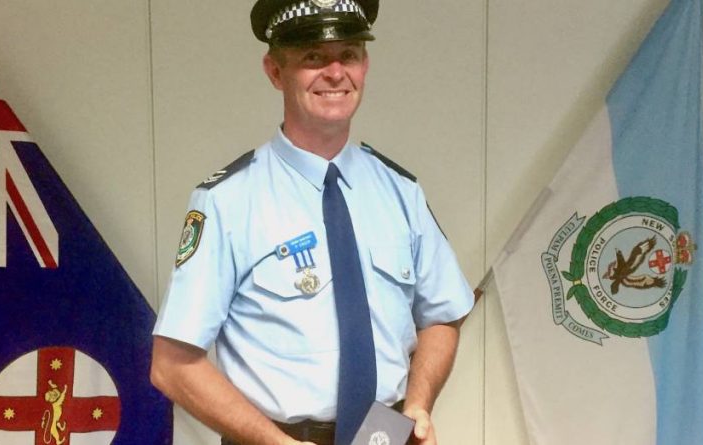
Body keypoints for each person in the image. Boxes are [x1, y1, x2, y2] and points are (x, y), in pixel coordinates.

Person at [150, 1, 475, 444]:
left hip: (386, 438)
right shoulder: (227, 201)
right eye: (313, 57)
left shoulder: (401, 192)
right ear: (274, 71)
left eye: (350, 55)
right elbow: (172, 364)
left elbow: (442, 314)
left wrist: (418, 404)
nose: (335, 72)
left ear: (365, 66)